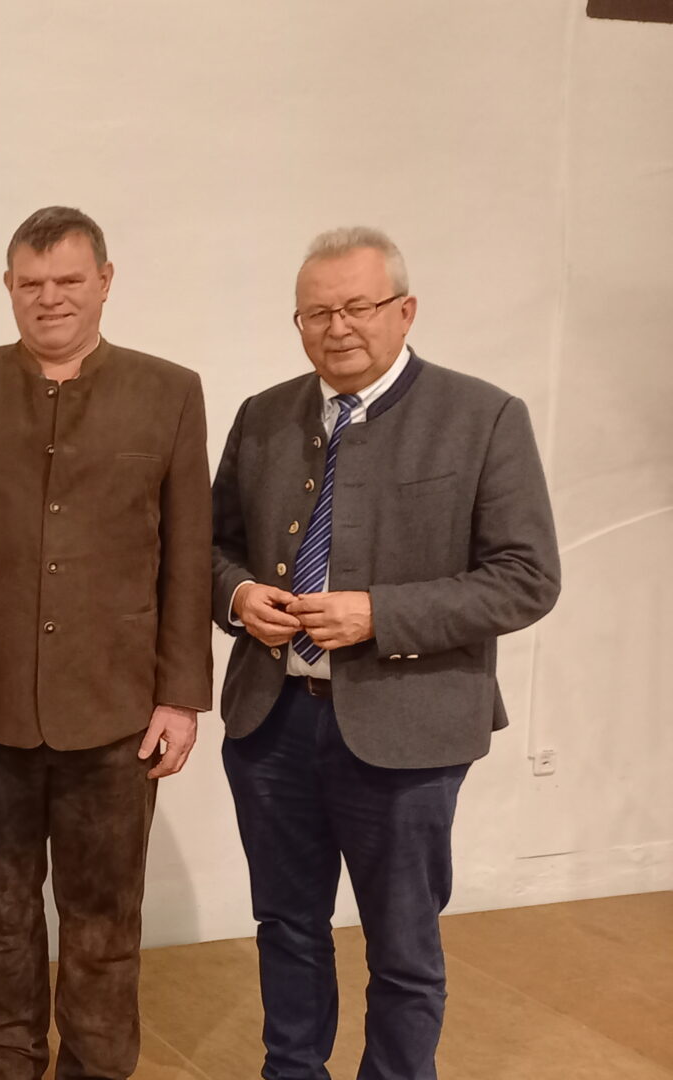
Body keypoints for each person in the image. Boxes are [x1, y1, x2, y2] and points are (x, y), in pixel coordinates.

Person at [211, 227, 561, 1080]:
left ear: (405, 311)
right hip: (272, 725)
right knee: (287, 929)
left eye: (358, 306)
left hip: (410, 733)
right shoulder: (263, 415)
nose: (338, 327)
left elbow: (527, 578)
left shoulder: (485, 416)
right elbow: (208, 547)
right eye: (317, 311)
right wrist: (236, 595)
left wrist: (381, 614)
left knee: (403, 949)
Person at [0, 206, 213, 1080]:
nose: (50, 299)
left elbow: (187, 554)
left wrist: (180, 696)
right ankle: (8, 1069)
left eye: (69, 281)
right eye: (31, 283)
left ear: (106, 281)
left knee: (105, 922)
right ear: (9, 288)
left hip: (117, 716)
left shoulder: (169, 392)